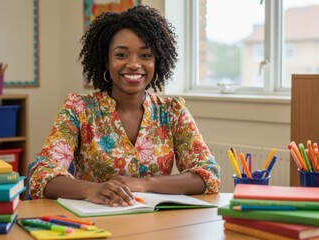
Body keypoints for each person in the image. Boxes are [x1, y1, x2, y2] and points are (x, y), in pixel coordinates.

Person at [29, 5, 220, 207]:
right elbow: (41, 175)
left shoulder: (173, 111)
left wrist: (145, 183)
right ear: (106, 61)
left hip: (157, 226)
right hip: (97, 225)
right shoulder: (79, 109)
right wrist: (90, 189)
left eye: (145, 55)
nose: (134, 64)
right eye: (121, 55)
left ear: (157, 61)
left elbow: (208, 175)